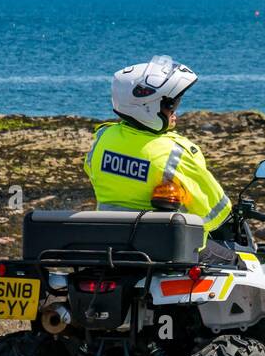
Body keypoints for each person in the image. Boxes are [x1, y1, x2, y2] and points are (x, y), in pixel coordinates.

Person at [85, 55, 239, 266]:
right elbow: (216, 213)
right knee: (241, 265)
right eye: (171, 104)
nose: (176, 110)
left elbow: (93, 173)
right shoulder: (176, 152)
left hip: (110, 243)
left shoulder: (102, 139)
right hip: (168, 249)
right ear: (149, 108)